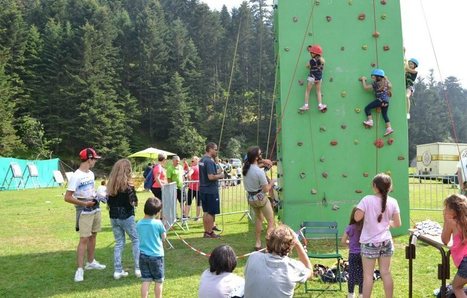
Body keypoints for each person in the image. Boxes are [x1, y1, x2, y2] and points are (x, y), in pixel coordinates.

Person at [354, 173, 401, 298]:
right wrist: (387, 223)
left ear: (374, 186)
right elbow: (397, 223)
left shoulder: (367, 199)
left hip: (369, 242)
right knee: (386, 273)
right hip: (386, 241)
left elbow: (357, 217)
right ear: (390, 187)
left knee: (368, 275)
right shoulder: (393, 202)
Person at [64, 148, 106, 282]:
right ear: (89, 159)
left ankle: (91, 262)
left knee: (93, 235)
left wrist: (98, 196)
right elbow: (67, 197)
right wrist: (83, 204)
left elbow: (90, 190)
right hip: (83, 210)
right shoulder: (76, 176)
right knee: (84, 239)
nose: (95, 161)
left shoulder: (91, 174)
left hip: (94, 207)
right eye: (94, 159)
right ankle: (80, 270)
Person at [244, 224, 312, 298]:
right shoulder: (293, 267)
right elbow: (310, 271)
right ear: (291, 245)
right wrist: (298, 243)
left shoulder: (253, 257)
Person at [107, 159, 140, 280]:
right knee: (135, 240)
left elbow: (109, 202)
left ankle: (117, 270)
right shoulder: (128, 187)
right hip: (126, 216)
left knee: (119, 242)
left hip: (114, 216)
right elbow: (133, 202)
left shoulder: (110, 186)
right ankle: (138, 268)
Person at [242, 146, 275, 250]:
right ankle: (269, 243)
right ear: (256, 157)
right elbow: (266, 189)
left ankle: (258, 242)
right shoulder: (259, 172)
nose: (261, 156)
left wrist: (264, 162)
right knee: (270, 220)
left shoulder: (245, 169)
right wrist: (272, 182)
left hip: (251, 198)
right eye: (260, 154)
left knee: (259, 219)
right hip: (260, 198)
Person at [137, 197, 167, 298]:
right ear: (157, 212)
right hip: (156, 256)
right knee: (159, 281)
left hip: (143, 255)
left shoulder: (139, 223)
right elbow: (163, 238)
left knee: (146, 280)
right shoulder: (158, 223)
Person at [441, 194, 467, 298]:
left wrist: (446, 221)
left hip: (465, 262)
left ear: (452, 209)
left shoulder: (452, 222)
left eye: (446, 207)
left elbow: (445, 240)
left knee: (457, 287)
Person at [199, 142, 224, 238]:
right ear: (210, 149)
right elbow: (210, 176)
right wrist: (220, 176)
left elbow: (209, 173)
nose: (216, 151)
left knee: (206, 211)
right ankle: (210, 232)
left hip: (203, 189)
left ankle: (206, 232)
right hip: (210, 190)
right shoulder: (209, 161)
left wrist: (217, 168)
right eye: (215, 149)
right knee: (211, 212)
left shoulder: (202, 160)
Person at [360, 69, 394, 136]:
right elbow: (391, 86)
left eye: (373, 77)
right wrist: (387, 79)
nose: (372, 78)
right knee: (384, 115)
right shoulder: (386, 82)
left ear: (378, 77)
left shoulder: (376, 84)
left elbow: (366, 87)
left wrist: (363, 80)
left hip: (380, 101)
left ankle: (370, 121)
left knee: (367, 108)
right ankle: (389, 128)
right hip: (386, 102)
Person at [341, 207, 363, 298]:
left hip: (353, 254)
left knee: (352, 275)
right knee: (363, 275)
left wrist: (350, 244)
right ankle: (362, 295)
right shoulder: (364, 228)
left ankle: (351, 294)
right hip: (363, 255)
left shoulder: (350, 227)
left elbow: (343, 241)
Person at [299, 44, 327, 112]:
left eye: (311, 53)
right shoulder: (321, 60)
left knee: (307, 91)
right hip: (318, 78)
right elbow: (323, 62)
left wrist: (310, 66)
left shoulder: (311, 61)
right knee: (318, 91)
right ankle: (320, 105)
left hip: (311, 78)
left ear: (314, 53)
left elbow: (307, 66)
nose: (311, 54)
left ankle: (306, 105)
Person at [187, 156, 201, 221]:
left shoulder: (193, 167)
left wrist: (190, 181)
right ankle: (197, 217)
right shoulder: (201, 167)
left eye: (193, 161)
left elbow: (189, 174)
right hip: (199, 188)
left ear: (197, 161)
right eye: (191, 161)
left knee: (188, 203)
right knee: (198, 203)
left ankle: (185, 217)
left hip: (192, 188)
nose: (191, 162)